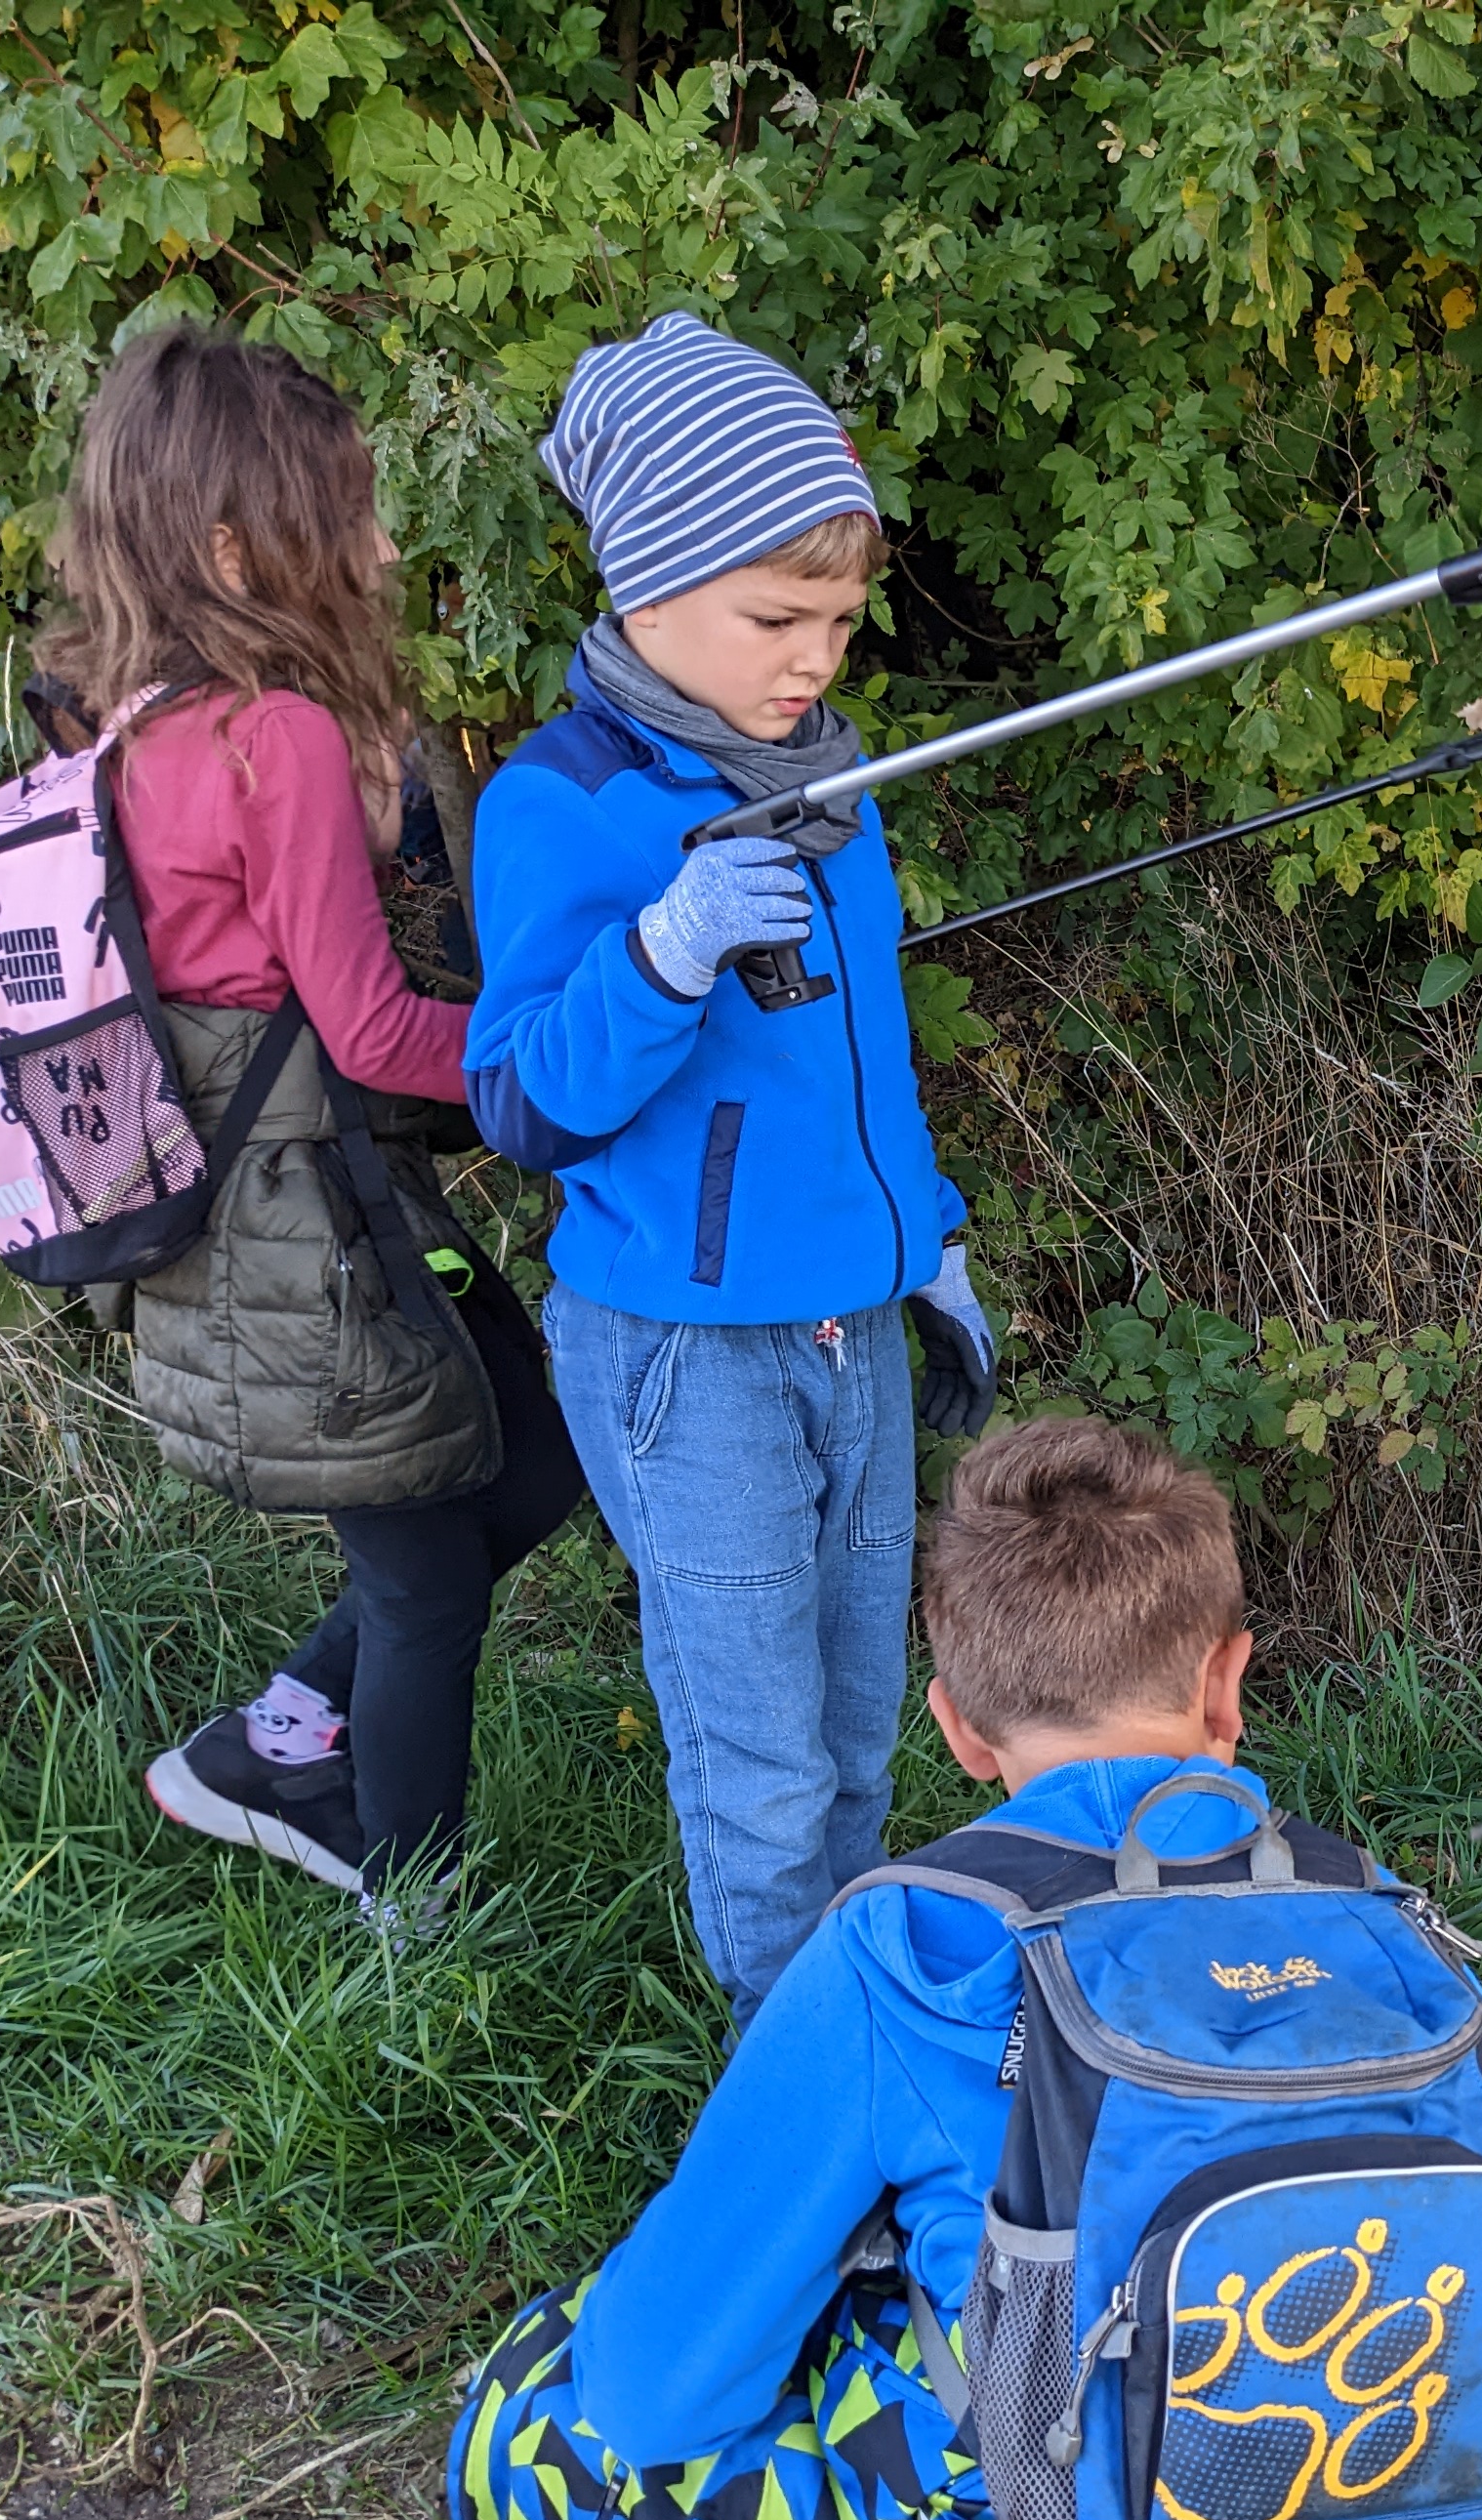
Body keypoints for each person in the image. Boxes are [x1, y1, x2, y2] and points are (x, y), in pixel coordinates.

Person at [450, 1415, 1482, 2520]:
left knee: (555, 2404)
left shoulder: (902, 1947)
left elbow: (656, 2394)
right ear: (1229, 1684)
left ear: (957, 1727)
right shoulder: (1386, 1929)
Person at [467, 311, 1000, 2011]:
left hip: (853, 1321)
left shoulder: (838, 782)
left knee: (857, 1732)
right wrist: (664, 955)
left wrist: (931, 1236)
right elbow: (525, 1101)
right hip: (686, 1357)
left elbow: (869, 1060)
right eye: (779, 618)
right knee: (760, 1761)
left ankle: (857, 2034)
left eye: (840, 622)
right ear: (648, 582)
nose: (816, 660)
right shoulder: (567, 804)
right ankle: (799, 2113)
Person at [54, 327, 584, 1923]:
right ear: (234, 545)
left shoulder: (120, 728)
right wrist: (560, 1062)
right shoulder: (265, 736)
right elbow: (368, 1032)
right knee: (424, 1583)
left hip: (244, 1224)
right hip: (307, 1230)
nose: (381, 544)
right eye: (347, 510)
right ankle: (410, 1912)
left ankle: (270, 1746)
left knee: (537, 1448)